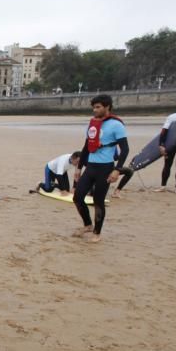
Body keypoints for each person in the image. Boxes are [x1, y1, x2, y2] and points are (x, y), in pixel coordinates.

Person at [73, 95, 129, 242]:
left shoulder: (116, 125)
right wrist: (79, 168)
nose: (95, 110)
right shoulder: (93, 123)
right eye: (94, 107)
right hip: (90, 166)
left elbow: (125, 149)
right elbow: (86, 147)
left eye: (98, 107)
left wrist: (117, 170)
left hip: (105, 168)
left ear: (107, 107)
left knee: (98, 201)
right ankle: (87, 225)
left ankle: (97, 232)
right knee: (77, 197)